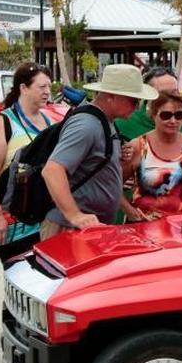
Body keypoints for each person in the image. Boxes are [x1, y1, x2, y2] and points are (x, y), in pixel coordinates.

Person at [41, 65, 157, 239]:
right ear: (111, 96)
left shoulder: (104, 121)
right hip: (69, 228)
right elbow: (52, 170)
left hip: (87, 228)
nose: (137, 106)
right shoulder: (87, 125)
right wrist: (75, 215)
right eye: (133, 100)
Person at [0, 63, 61, 264]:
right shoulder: (4, 122)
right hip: (12, 219)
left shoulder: (49, 121)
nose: (48, 92)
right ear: (23, 88)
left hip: (41, 218)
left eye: (49, 87)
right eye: (42, 87)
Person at [121, 92, 182, 220]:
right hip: (144, 229)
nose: (173, 121)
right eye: (166, 115)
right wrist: (130, 212)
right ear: (153, 115)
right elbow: (112, 184)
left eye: (179, 116)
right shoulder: (138, 146)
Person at [115, 66, 182, 142]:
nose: (170, 99)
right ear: (148, 94)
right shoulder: (124, 124)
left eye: (174, 92)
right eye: (163, 93)